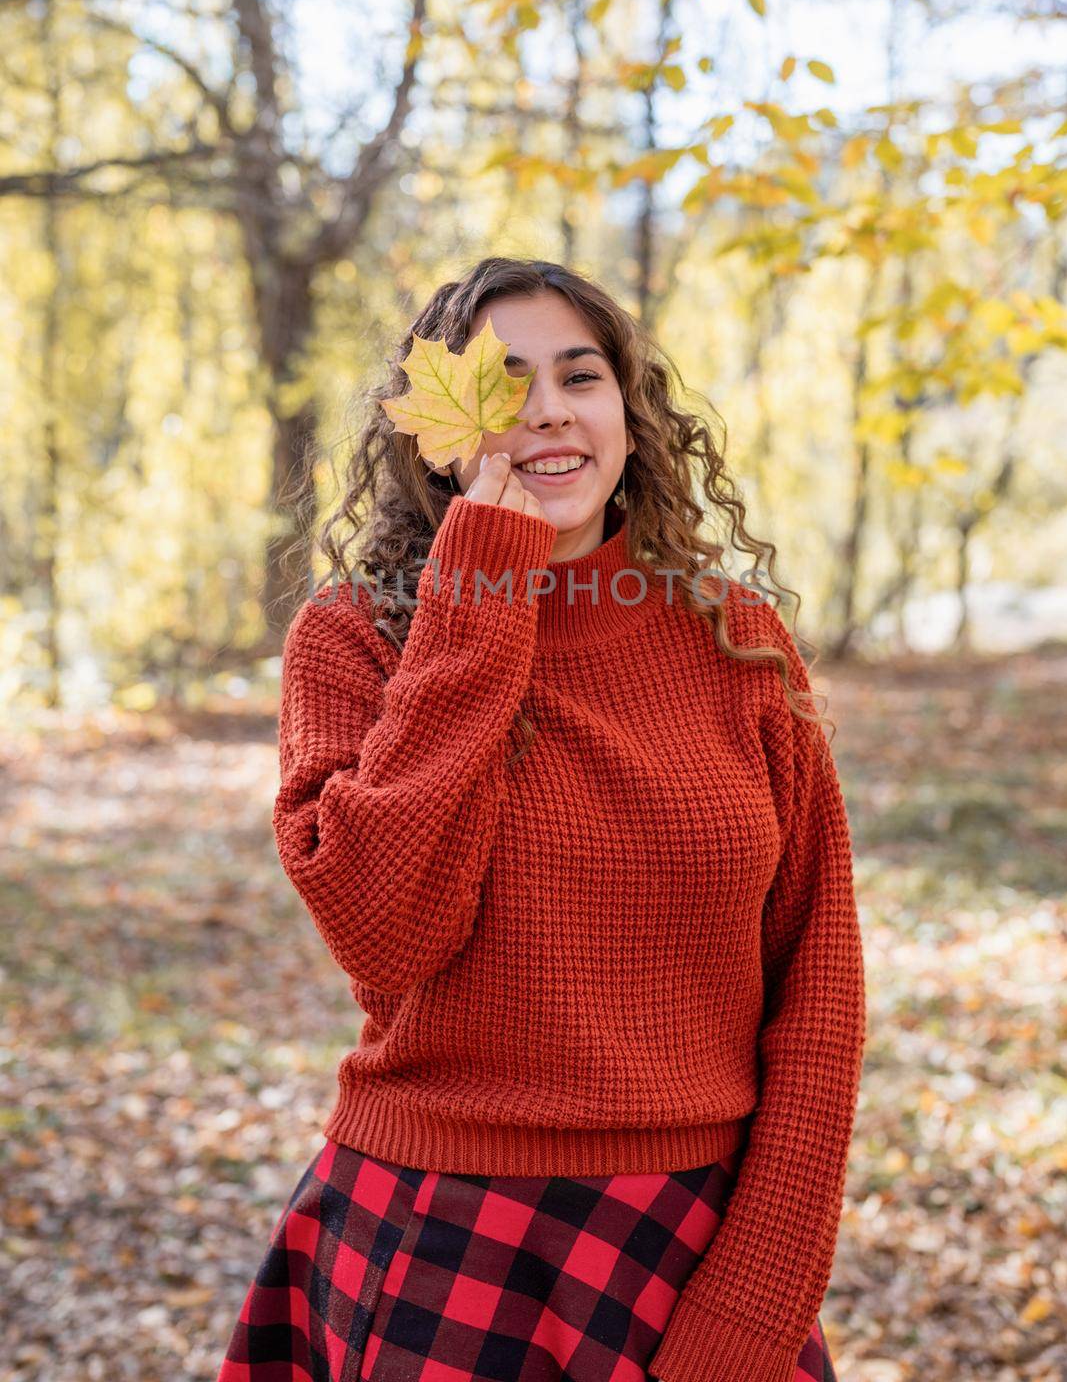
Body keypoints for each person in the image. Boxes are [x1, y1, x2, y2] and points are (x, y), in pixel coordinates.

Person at [217, 256, 866, 1382]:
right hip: (438, 1238)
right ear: (439, 428)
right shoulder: (354, 638)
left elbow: (821, 985)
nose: (551, 412)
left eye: (582, 375)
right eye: (505, 385)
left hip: (691, 1240)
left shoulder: (736, 639)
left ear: (629, 409)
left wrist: (758, 1297)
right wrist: (481, 587)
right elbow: (385, 931)